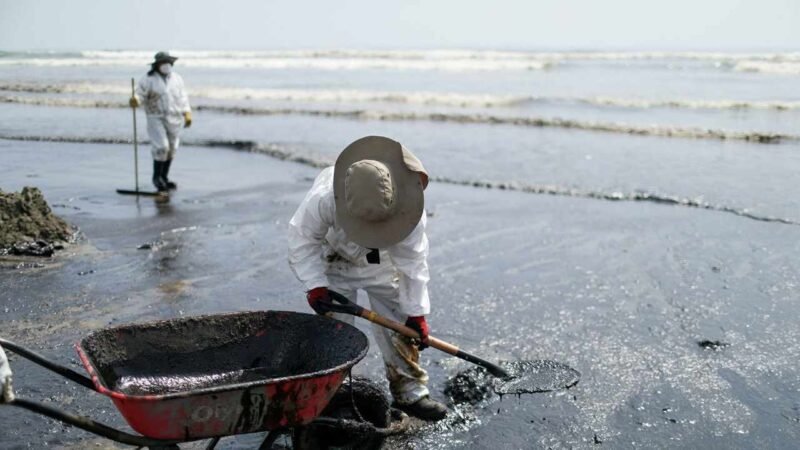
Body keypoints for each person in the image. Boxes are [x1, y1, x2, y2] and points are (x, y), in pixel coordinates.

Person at [288, 136, 448, 421]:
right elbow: (303, 239)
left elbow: (412, 263)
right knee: (335, 332)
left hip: (383, 262)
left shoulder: (410, 209)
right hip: (334, 259)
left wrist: (417, 313)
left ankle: (410, 393)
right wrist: (315, 284)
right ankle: (337, 395)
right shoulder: (324, 199)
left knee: (401, 326)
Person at [128, 51, 192, 193]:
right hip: (155, 117)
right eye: (163, 63)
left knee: (172, 149)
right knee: (161, 147)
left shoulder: (177, 79)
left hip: (175, 118)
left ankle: (164, 177)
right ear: (157, 65)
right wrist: (136, 100)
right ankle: (156, 178)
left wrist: (187, 112)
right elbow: (139, 94)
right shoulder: (148, 79)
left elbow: (183, 97)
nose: (166, 65)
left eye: (168, 62)